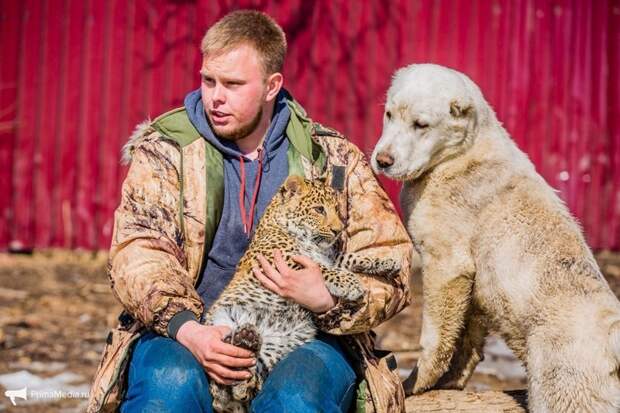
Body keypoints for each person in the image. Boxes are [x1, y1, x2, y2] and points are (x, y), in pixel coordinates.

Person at [87, 10, 412, 413]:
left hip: (306, 335)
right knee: (169, 390)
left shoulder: (332, 159)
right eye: (208, 80)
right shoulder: (165, 149)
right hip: (185, 331)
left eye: (233, 84)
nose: (215, 97)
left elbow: (391, 267)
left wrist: (326, 298)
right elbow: (138, 252)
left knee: (296, 401)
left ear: (272, 85)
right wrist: (188, 329)